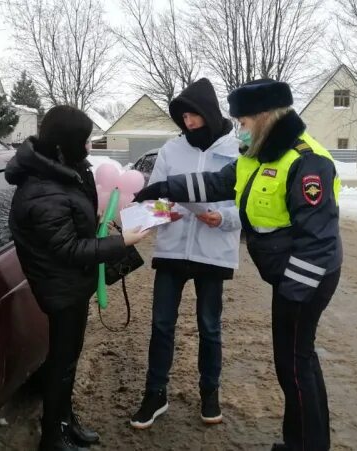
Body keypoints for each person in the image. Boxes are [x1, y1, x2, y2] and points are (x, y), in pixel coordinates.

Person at [135, 79, 343, 451]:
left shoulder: (306, 162)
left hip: (304, 280)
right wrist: (164, 189)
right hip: (289, 278)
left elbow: (319, 243)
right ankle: (300, 442)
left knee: (295, 365)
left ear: (263, 117)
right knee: (295, 364)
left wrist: (293, 295)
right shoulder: (259, 155)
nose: (240, 130)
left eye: (243, 122)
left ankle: (307, 445)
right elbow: (216, 183)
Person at [6, 105, 150, 451]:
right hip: (60, 288)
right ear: (65, 143)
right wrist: (122, 242)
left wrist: (100, 218)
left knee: (67, 360)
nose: (89, 148)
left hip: (72, 283)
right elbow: (69, 249)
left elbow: (74, 221)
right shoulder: (42, 189)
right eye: (84, 141)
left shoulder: (63, 171)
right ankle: (53, 437)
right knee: (61, 363)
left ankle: (65, 423)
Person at [130, 78, 242, 430]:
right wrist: (166, 212)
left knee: (210, 327)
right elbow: (155, 198)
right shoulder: (171, 150)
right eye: (183, 118)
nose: (188, 123)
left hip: (214, 251)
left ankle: (210, 393)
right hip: (173, 248)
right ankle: (155, 393)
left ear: (209, 113)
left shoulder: (238, 150)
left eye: (194, 116)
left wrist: (222, 217)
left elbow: (249, 204)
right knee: (161, 324)